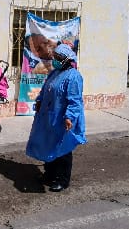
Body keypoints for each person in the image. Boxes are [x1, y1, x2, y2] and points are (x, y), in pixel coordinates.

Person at [25, 43, 86, 192]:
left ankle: (62, 180)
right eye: (55, 57)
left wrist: (69, 117)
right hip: (49, 117)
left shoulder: (74, 76)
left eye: (58, 58)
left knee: (62, 149)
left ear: (66, 59)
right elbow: (46, 89)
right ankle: (49, 174)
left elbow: (75, 100)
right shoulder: (54, 73)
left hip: (63, 119)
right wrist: (39, 101)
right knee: (48, 145)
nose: (55, 60)